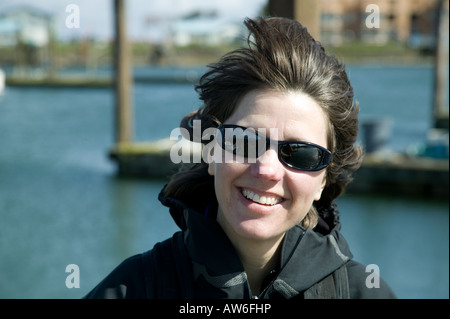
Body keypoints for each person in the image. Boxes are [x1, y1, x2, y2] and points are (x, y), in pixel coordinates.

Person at [84, 17, 396, 299]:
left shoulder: (364, 293)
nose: (266, 169)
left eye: (301, 154)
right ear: (212, 151)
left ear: (323, 181)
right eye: (244, 141)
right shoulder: (132, 290)